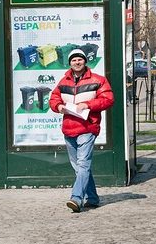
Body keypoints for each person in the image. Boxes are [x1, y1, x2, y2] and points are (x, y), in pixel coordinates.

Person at [48, 49, 113, 212]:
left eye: (80, 60)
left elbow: (108, 99)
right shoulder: (64, 82)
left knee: (83, 164)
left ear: (85, 61)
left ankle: (76, 198)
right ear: (69, 63)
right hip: (69, 128)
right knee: (79, 167)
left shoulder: (98, 80)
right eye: (74, 60)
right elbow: (53, 98)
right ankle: (92, 198)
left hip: (88, 128)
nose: (77, 62)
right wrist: (58, 106)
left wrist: (88, 105)